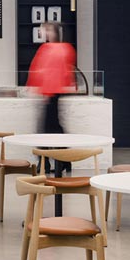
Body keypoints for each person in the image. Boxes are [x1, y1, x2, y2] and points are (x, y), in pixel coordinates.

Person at [25, 21, 77, 172]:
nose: (45, 33)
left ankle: (48, 163)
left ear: (54, 32)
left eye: (47, 30)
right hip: (52, 93)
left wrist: (45, 92)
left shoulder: (54, 49)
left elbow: (51, 72)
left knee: (46, 130)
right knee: (54, 128)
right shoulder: (61, 48)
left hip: (51, 93)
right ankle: (62, 161)